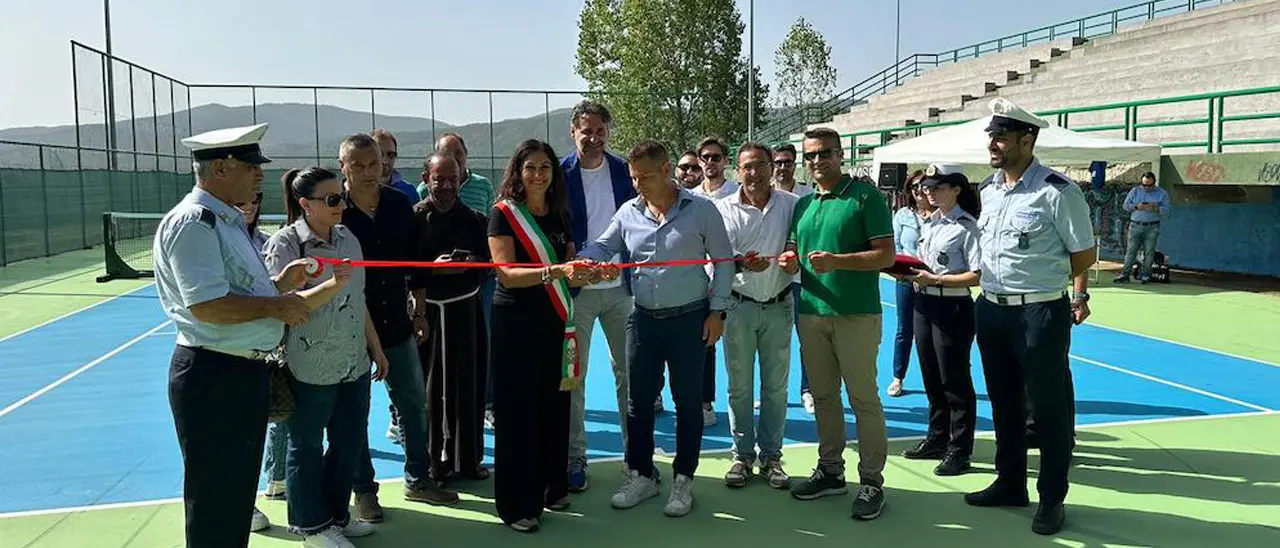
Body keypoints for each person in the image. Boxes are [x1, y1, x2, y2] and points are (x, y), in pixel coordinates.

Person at [153, 123, 311, 547]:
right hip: (215, 374)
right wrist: (277, 306)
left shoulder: (224, 221)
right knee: (215, 501)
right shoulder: (195, 223)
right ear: (221, 168)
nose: (259, 175)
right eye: (250, 166)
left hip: (237, 375)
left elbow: (231, 291)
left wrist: (276, 284)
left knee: (233, 498)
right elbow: (206, 305)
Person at [578, 139, 735, 518]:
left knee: (687, 402)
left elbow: (724, 262)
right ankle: (642, 474)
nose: (638, 185)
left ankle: (683, 479)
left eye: (645, 176)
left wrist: (718, 313)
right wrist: (580, 261)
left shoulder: (702, 210)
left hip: (689, 320)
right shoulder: (628, 212)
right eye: (634, 178)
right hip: (643, 320)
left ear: (667, 170)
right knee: (637, 403)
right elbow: (602, 246)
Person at [967, 98, 1096, 536]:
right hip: (992, 309)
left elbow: (1084, 253)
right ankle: (1009, 482)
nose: (994, 144)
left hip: (1040, 312)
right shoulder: (988, 189)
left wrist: (1048, 287)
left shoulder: (1058, 191)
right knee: (1003, 403)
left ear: (1027, 139)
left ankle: (1051, 498)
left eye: (1001, 137)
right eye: (991, 137)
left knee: (1048, 409)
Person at [265, 167, 390, 548]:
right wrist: (333, 285)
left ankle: (336, 515)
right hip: (310, 366)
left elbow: (359, 299)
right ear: (305, 204)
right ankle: (310, 526)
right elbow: (281, 306)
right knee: (305, 447)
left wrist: (375, 347)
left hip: (353, 362)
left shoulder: (349, 238)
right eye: (332, 199)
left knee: (348, 442)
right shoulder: (286, 245)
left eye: (343, 198)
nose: (341, 205)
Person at [341, 134, 459, 523]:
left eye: (373, 163)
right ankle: (363, 491)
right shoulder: (334, 210)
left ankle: (418, 479)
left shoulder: (397, 205)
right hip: (349, 330)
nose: (368, 171)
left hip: (398, 325)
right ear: (343, 167)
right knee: (354, 414)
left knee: (413, 404)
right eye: (357, 164)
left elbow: (416, 263)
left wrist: (420, 312)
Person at [778, 127, 894, 521]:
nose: (817, 161)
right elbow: (794, 249)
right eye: (810, 155)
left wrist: (839, 261)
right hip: (811, 312)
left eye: (824, 153)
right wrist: (788, 261)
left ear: (840, 154)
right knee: (824, 399)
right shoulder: (803, 205)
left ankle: (871, 481)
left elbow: (885, 255)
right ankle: (831, 471)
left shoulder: (866, 197)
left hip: (856, 314)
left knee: (863, 400)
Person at [488, 139, 595, 532]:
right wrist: (556, 273)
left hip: (555, 320)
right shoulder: (502, 215)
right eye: (530, 167)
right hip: (515, 323)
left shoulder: (560, 214)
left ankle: (553, 487)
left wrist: (589, 272)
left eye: (545, 168)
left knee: (555, 405)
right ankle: (517, 505)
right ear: (518, 172)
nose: (538, 175)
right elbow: (506, 274)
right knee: (519, 412)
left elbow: (570, 266)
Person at [561, 100, 637, 491]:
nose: (592, 138)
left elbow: (640, 223)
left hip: (622, 291)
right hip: (577, 294)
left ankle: (636, 457)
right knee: (574, 377)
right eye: (585, 131)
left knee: (630, 374)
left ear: (608, 132)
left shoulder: (626, 171)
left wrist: (621, 260)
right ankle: (575, 458)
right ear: (573, 132)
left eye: (599, 131)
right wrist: (573, 258)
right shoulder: (558, 173)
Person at [716, 142, 797, 490]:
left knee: (776, 387)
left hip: (780, 305)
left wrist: (794, 254)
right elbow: (716, 258)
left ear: (771, 168)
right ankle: (741, 455)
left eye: (761, 165)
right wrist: (740, 261)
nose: (754, 173)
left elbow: (800, 244)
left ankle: (772, 457)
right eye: (747, 167)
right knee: (739, 387)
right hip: (738, 306)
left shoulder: (793, 205)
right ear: (738, 172)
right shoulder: (722, 210)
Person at [411, 153, 491, 483]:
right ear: (426, 178)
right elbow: (409, 271)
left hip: (466, 311)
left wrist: (469, 261)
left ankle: (468, 460)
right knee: (429, 391)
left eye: (452, 179)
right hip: (428, 312)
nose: (445, 186)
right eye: (438, 179)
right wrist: (433, 271)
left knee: (469, 385)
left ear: (461, 180)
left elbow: (488, 265)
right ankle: (434, 463)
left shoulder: (475, 220)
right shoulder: (414, 218)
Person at [900, 165, 981, 477]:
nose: (929, 192)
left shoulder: (967, 226)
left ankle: (960, 449)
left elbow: (976, 275)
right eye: (927, 188)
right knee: (931, 375)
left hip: (952, 306)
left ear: (956, 189)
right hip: (925, 303)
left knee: (955, 380)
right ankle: (937, 437)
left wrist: (934, 279)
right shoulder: (930, 223)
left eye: (937, 187)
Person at [427, 133, 501, 430]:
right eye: (447, 154)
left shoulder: (482, 185)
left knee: (485, 339)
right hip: (440, 290)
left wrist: (480, 263)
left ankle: (489, 403)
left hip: (481, 280)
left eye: (458, 154)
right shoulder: (424, 195)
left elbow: (492, 223)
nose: (454, 160)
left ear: (466, 155)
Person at [232, 190, 285, 531]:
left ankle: (274, 481)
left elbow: (268, 291)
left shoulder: (264, 242)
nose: (249, 208)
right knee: (235, 434)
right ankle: (241, 505)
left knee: (264, 424)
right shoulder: (219, 239)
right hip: (230, 353)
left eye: (255, 200)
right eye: (241, 202)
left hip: (263, 352)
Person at [771, 143, 815, 414]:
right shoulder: (765, 196)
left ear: (795, 164)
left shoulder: (808, 196)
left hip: (801, 280)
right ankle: (772, 391)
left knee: (806, 339)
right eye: (778, 162)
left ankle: (807, 390)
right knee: (773, 342)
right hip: (771, 280)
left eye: (788, 162)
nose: (783, 167)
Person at [885, 170, 932, 398]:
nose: (918, 191)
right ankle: (897, 377)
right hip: (906, 280)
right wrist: (903, 274)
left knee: (933, 332)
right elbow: (895, 246)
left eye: (922, 186)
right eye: (913, 187)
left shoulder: (940, 215)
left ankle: (935, 378)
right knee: (904, 330)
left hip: (934, 282)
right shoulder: (902, 215)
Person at [1115, 171, 1170, 284]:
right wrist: (1136, 206)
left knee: (1149, 252)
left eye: (1149, 185)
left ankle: (1145, 275)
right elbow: (1125, 206)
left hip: (1152, 226)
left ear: (1154, 183)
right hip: (1135, 224)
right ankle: (1125, 274)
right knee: (1131, 251)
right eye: (1144, 185)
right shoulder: (1135, 191)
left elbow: (1168, 211)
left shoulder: (1162, 193)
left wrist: (1156, 208)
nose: (1146, 188)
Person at [370, 129, 418, 202]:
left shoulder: (408, 191)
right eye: (379, 154)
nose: (385, 160)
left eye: (390, 155)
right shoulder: (359, 190)